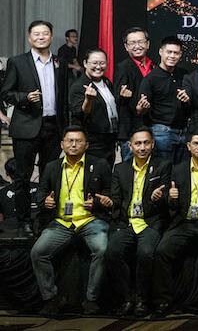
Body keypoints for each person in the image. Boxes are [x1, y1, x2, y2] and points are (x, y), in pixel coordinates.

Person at [31, 127, 112, 316]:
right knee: (38, 252)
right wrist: (45, 201)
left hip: (90, 220)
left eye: (78, 141)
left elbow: (109, 191)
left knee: (102, 250)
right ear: (62, 144)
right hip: (61, 222)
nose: (74, 144)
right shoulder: (52, 167)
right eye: (70, 141)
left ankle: (91, 299)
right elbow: (41, 191)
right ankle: (52, 298)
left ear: (86, 145)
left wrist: (98, 202)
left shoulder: (99, 164)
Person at [3, 21, 71, 233]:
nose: (41, 37)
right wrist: (24, 97)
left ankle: (45, 218)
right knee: (22, 176)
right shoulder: (17, 62)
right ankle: (24, 220)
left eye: (45, 33)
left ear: (51, 36)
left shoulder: (60, 63)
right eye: (36, 34)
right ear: (29, 37)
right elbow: (6, 93)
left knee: (49, 175)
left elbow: (64, 97)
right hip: (26, 126)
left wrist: (66, 128)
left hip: (53, 126)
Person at [151, 132, 198, 318]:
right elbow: (171, 206)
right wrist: (171, 198)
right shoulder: (178, 169)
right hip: (184, 222)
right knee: (161, 251)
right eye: (196, 143)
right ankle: (163, 301)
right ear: (188, 146)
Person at [106, 128, 169, 317]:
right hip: (126, 223)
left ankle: (142, 299)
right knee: (112, 252)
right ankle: (127, 297)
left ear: (153, 144)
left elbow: (168, 197)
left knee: (145, 253)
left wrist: (159, 197)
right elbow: (116, 199)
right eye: (138, 143)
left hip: (150, 221)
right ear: (130, 146)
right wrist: (109, 202)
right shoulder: (120, 169)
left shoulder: (163, 166)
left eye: (146, 143)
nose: (142, 147)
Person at [137, 36, 192, 163]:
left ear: (180, 55)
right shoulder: (150, 79)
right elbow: (140, 110)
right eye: (169, 52)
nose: (172, 56)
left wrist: (186, 100)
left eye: (176, 53)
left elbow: (189, 104)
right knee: (163, 169)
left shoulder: (184, 75)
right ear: (161, 52)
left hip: (184, 131)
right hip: (161, 131)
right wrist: (141, 108)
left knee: (182, 171)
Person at [69, 48, 121, 161]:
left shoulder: (106, 82)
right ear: (85, 63)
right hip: (92, 142)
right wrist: (88, 100)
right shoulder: (78, 86)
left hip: (109, 139)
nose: (98, 67)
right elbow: (80, 114)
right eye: (95, 63)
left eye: (102, 63)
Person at [113, 27, 155, 162]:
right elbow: (117, 98)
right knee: (131, 169)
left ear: (147, 44)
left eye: (141, 42)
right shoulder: (123, 67)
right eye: (132, 43)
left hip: (153, 127)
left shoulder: (154, 66)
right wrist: (124, 97)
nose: (137, 46)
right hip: (131, 130)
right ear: (126, 47)